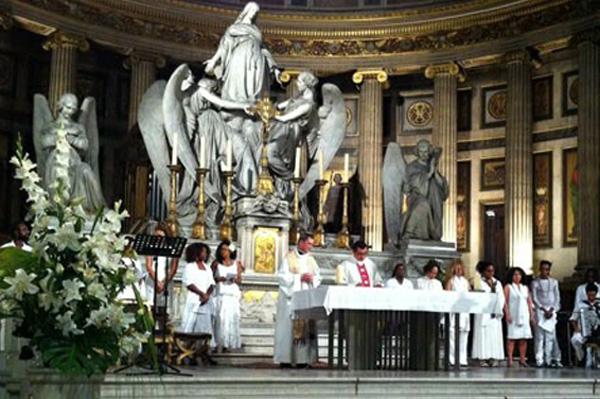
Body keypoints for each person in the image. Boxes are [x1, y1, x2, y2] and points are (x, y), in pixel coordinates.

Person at [40, 93, 106, 213]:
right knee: (60, 178)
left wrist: (73, 140)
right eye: (68, 108)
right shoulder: (51, 126)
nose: (71, 112)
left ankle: (95, 210)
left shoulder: (78, 127)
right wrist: (58, 138)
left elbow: (85, 145)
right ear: (61, 106)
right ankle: (61, 212)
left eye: (74, 109)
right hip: (57, 162)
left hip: (75, 163)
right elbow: (43, 143)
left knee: (87, 171)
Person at [204, 2, 279, 103]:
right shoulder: (235, 27)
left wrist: (275, 68)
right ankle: (238, 105)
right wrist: (213, 60)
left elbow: (264, 49)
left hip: (257, 59)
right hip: (240, 56)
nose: (254, 14)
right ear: (246, 11)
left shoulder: (256, 30)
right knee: (238, 85)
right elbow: (224, 46)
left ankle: (254, 105)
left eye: (256, 12)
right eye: (252, 10)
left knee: (255, 85)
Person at [267, 71, 319, 201]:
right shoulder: (295, 100)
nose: (297, 83)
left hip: (290, 133)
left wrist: (271, 115)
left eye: (300, 82)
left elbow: (285, 118)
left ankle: (290, 178)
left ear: (307, 85)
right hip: (280, 130)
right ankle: (280, 185)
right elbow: (276, 107)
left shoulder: (308, 105)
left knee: (270, 154)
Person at [274, 232, 321, 368]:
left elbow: (318, 276)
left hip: (306, 298)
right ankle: (286, 359)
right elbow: (282, 277)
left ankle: (303, 360)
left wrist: (313, 279)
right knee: (288, 328)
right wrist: (298, 278)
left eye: (311, 244)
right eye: (309, 243)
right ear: (300, 242)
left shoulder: (311, 260)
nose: (310, 247)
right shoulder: (288, 258)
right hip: (291, 299)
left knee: (306, 327)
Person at [400, 139, 448, 241]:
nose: (423, 154)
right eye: (421, 152)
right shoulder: (412, 167)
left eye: (426, 152)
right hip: (416, 196)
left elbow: (442, 187)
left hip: (433, 197)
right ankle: (411, 232)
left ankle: (433, 234)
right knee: (423, 205)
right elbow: (414, 185)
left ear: (429, 151)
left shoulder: (430, 165)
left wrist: (434, 172)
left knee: (432, 203)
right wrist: (429, 173)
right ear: (417, 152)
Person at [179, 242, 217, 365]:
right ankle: (189, 353)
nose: (205, 254)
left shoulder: (207, 267)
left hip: (206, 301)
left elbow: (211, 283)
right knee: (192, 327)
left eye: (206, 252)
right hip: (195, 300)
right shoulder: (190, 267)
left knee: (205, 328)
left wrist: (207, 294)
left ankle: (202, 352)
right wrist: (201, 294)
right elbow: (189, 283)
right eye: (202, 251)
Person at [472, 261, 505, 367]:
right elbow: (477, 295)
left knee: (493, 335)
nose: (491, 273)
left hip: (494, 312)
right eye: (488, 271)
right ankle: (482, 357)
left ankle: (493, 357)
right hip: (483, 312)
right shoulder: (478, 281)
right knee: (483, 334)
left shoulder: (497, 283)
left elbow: (501, 297)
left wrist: (497, 306)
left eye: (492, 271)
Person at [211, 239, 243, 351]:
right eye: (222, 250)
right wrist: (218, 278)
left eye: (226, 250)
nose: (223, 252)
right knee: (220, 318)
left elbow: (240, 279)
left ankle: (228, 343)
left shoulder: (237, 264)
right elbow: (209, 279)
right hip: (221, 293)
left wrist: (234, 279)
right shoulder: (216, 264)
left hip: (232, 293)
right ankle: (218, 343)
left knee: (231, 318)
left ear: (230, 251)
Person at [531, 260, 562, 368]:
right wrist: (544, 310)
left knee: (550, 337)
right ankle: (539, 360)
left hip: (551, 312)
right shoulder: (535, 282)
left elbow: (557, 297)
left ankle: (549, 359)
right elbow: (534, 298)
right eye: (544, 269)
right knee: (539, 337)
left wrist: (552, 310)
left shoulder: (554, 282)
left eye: (548, 269)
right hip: (540, 311)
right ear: (540, 269)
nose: (546, 271)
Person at [504, 267, 534, 367]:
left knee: (523, 338)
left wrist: (532, 315)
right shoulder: (508, 287)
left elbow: (529, 302)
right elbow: (505, 302)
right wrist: (507, 313)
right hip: (513, 314)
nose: (517, 277)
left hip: (524, 314)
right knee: (512, 337)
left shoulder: (525, 288)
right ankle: (510, 359)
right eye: (515, 275)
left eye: (519, 275)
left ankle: (522, 359)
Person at [144, 224, 179, 308]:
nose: (157, 239)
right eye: (156, 236)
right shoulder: (150, 247)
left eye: (160, 236)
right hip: (152, 280)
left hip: (166, 280)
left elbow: (173, 269)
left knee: (163, 308)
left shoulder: (173, 249)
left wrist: (163, 283)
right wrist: (157, 282)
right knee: (150, 307)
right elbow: (149, 266)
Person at [444, 259, 470, 367]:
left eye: (461, 269)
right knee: (452, 335)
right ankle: (452, 358)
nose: (459, 271)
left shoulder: (465, 281)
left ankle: (462, 358)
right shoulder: (452, 281)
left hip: (464, 310)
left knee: (463, 335)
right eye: (457, 269)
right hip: (454, 309)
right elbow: (447, 294)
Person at [570, 283, 600, 368]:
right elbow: (572, 318)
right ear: (586, 294)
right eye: (589, 295)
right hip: (583, 331)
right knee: (575, 339)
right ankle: (581, 358)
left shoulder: (599, 304)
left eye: (593, 295)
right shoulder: (580, 304)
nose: (591, 298)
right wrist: (576, 329)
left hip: (597, 332)